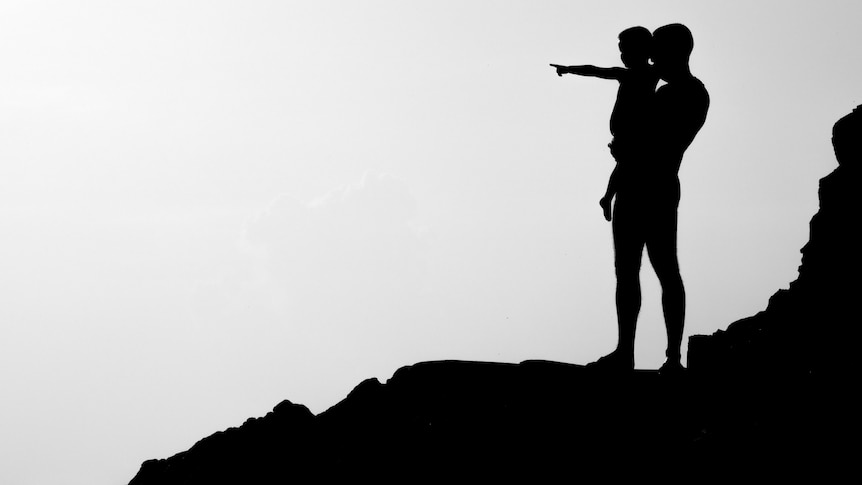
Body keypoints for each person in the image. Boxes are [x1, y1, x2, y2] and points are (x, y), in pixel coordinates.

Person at [593, 23, 709, 373]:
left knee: (662, 270)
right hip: (638, 184)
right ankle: (626, 352)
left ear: (675, 52)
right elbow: (633, 141)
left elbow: (647, 142)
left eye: (656, 49)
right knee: (629, 271)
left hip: (654, 186)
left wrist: (626, 147)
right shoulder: (668, 92)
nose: (651, 56)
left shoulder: (683, 93)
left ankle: (671, 357)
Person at [551, 26, 659, 221]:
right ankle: (607, 197)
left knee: (625, 164)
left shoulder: (648, 73)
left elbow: (596, 71)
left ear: (643, 51)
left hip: (634, 131)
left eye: (626, 51)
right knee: (624, 164)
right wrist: (569, 69)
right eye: (621, 52)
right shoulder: (629, 74)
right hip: (623, 132)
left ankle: (607, 197)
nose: (623, 56)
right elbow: (595, 71)